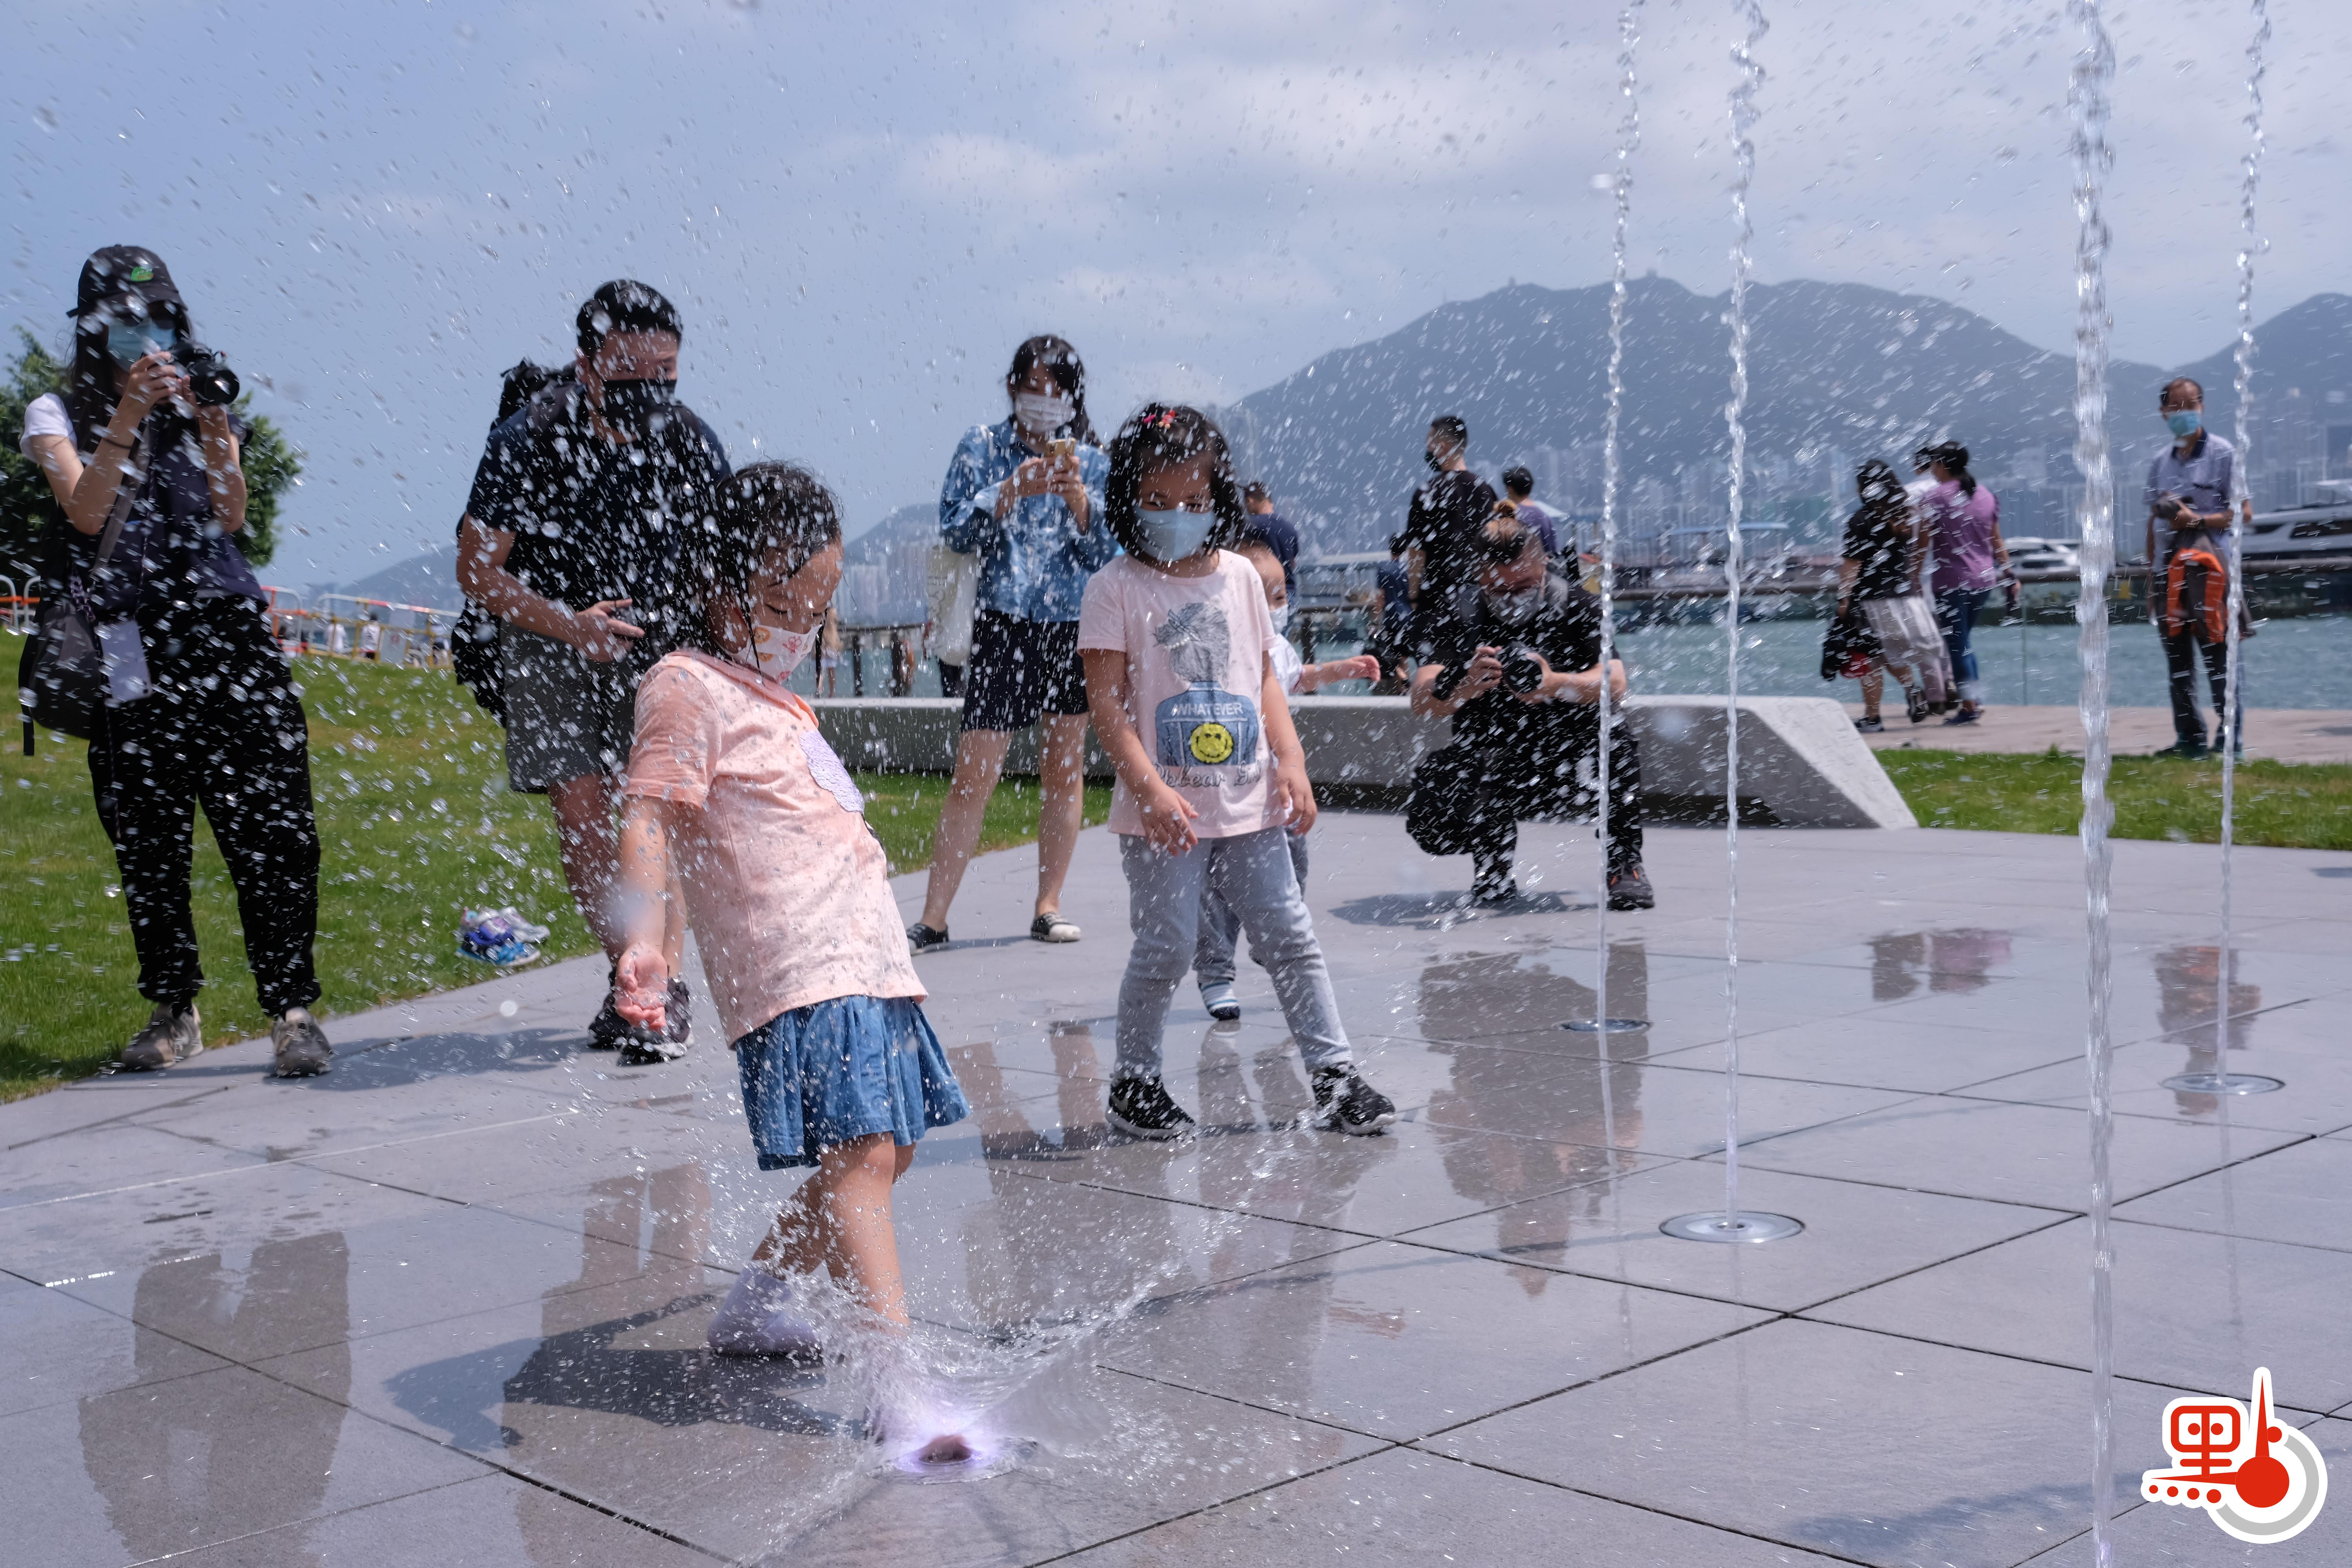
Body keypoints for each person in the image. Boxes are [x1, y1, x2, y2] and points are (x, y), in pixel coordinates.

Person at [604, 463, 970, 1454]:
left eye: (815, 609)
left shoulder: (777, 695)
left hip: (868, 959)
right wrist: (642, 941)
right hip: (798, 963)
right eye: (779, 604)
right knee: (861, 1156)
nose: (798, 627)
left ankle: (762, 1298)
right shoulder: (683, 683)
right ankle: (893, 1380)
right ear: (718, 581)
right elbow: (647, 815)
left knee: (890, 1145)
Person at [18, 245, 331, 1076]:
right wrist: (124, 416)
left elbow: (230, 516)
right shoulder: (55, 411)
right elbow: (86, 513)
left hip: (228, 631)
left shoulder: (196, 395)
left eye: (158, 318)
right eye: (126, 322)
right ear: (94, 327)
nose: (146, 335)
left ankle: (293, 1009)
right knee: (147, 832)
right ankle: (173, 1005)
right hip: (129, 643)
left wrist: (215, 424)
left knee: (274, 826)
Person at [1077, 403, 1397, 1139]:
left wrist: (1292, 762)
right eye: (1156, 502)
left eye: (1193, 502)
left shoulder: (1241, 581)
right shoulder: (1115, 588)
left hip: (1250, 802)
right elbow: (1108, 709)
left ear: (1218, 500)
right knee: (1169, 946)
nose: (1176, 516)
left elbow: (1263, 683)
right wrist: (1150, 789)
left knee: (1290, 934)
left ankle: (1335, 1075)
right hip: (1167, 814)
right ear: (1128, 500)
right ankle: (1135, 1083)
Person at [454, 279, 726, 1063]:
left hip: (660, 641)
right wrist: (569, 625)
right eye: (632, 370)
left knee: (654, 809)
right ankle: (628, 970)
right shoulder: (528, 436)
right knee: (580, 811)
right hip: (548, 635)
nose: (653, 388)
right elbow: (478, 570)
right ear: (588, 363)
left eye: (667, 370)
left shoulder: (690, 442)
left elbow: (720, 568)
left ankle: (661, 988)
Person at [907, 336, 1113, 953]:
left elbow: (1107, 558)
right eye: (1035, 390)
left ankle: (1048, 905)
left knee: (1064, 768)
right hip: (1003, 622)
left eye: (1058, 394)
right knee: (974, 772)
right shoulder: (982, 446)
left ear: (1074, 397)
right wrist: (1007, 493)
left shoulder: (1092, 461)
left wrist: (1080, 504)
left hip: (1071, 625)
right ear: (1012, 388)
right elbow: (953, 529)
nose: (1045, 404)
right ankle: (935, 916)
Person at [1406, 517, 1653, 911]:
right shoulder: (1461, 613)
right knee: (1442, 794)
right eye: (1497, 588)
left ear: (1542, 569)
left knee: (1617, 737)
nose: (1509, 597)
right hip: (1502, 764)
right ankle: (1492, 870)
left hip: (1569, 764)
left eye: (1521, 587)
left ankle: (1625, 863)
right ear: (1479, 576)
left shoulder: (1574, 603)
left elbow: (1617, 682)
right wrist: (1465, 683)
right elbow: (1421, 697)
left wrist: (1555, 682)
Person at [1194, 537, 1380, 1022]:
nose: (1279, 608)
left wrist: (1341, 670)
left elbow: (1300, 677)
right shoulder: (1219, 646)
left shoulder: (1279, 648)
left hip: (1276, 785)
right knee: (1218, 887)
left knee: (1294, 858)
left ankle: (1269, 935)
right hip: (1228, 788)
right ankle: (1215, 972)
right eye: (1267, 597)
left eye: (1281, 597)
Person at [2143, 377, 2252, 759]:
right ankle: (2189, 737)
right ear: (2163, 413)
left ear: (2203, 406)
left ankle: (2230, 737)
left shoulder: (2223, 453)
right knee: (2178, 661)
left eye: (2191, 404)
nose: (2184, 412)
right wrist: (2151, 578)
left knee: (2218, 655)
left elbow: (2244, 513)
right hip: (2168, 573)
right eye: (2176, 406)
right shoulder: (2160, 462)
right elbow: (2154, 520)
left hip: (2210, 571)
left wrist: (2196, 521)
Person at [1835, 460, 1949, 724]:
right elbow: (1921, 544)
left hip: (1873, 599)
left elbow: (1852, 564)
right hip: (1904, 596)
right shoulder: (1907, 515)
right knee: (1888, 653)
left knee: (1872, 657)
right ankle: (1911, 691)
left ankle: (1874, 718)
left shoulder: (1861, 520)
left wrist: (1843, 599)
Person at [1915, 442, 2013, 725]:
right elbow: (1997, 541)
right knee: (1963, 642)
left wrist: (1913, 578)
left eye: (1933, 464)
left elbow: (1923, 545)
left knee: (1958, 646)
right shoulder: (1985, 495)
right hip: (1984, 580)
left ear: (1943, 466)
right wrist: (2010, 575)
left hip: (1951, 583)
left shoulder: (1933, 499)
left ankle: (1970, 706)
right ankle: (1974, 700)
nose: (1932, 470)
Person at [1400, 414, 1500, 649]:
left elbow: (1417, 552)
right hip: (1479, 603)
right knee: (1478, 676)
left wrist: (1414, 595)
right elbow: (1496, 547)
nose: (1427, 451)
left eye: (1429, 444)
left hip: (1436, 604)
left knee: (1435, 678)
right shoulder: (1485, 490)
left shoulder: (1427, 492)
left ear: (1442, 447)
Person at [923, 536, 979, 698]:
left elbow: (935, 604)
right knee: (952, 673)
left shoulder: (943, 565)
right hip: (953, 629)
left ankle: (956, 699)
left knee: (949, 673)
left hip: (945, 630)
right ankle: (961, 698)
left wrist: (928, 633)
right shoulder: (960, 563)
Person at [1240, 481, 1300, 597]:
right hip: (1288, 595)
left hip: (1265, 594)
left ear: (1250, 501)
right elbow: (1292, 563)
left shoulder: (1251, 526)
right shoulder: (1290, 528)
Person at [1497, 466, 1562, 555]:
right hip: (1545, 567)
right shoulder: (1545, 518)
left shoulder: (1512, 515)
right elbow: (1553, 552)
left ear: (1509, 489)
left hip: (1520, 567)